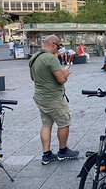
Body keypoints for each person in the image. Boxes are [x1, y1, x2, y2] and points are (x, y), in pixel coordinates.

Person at [29, 35, 79, 165]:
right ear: (52, 44)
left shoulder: (34, 57)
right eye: (58, 46)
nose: (58, 50)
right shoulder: (51, 58)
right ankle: (63, 151)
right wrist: (65, 73)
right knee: (64, 122)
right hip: (54, 98)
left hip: (40, 97)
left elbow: (33, 77)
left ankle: (46, 154)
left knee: (46, 124)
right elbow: (61, 79)